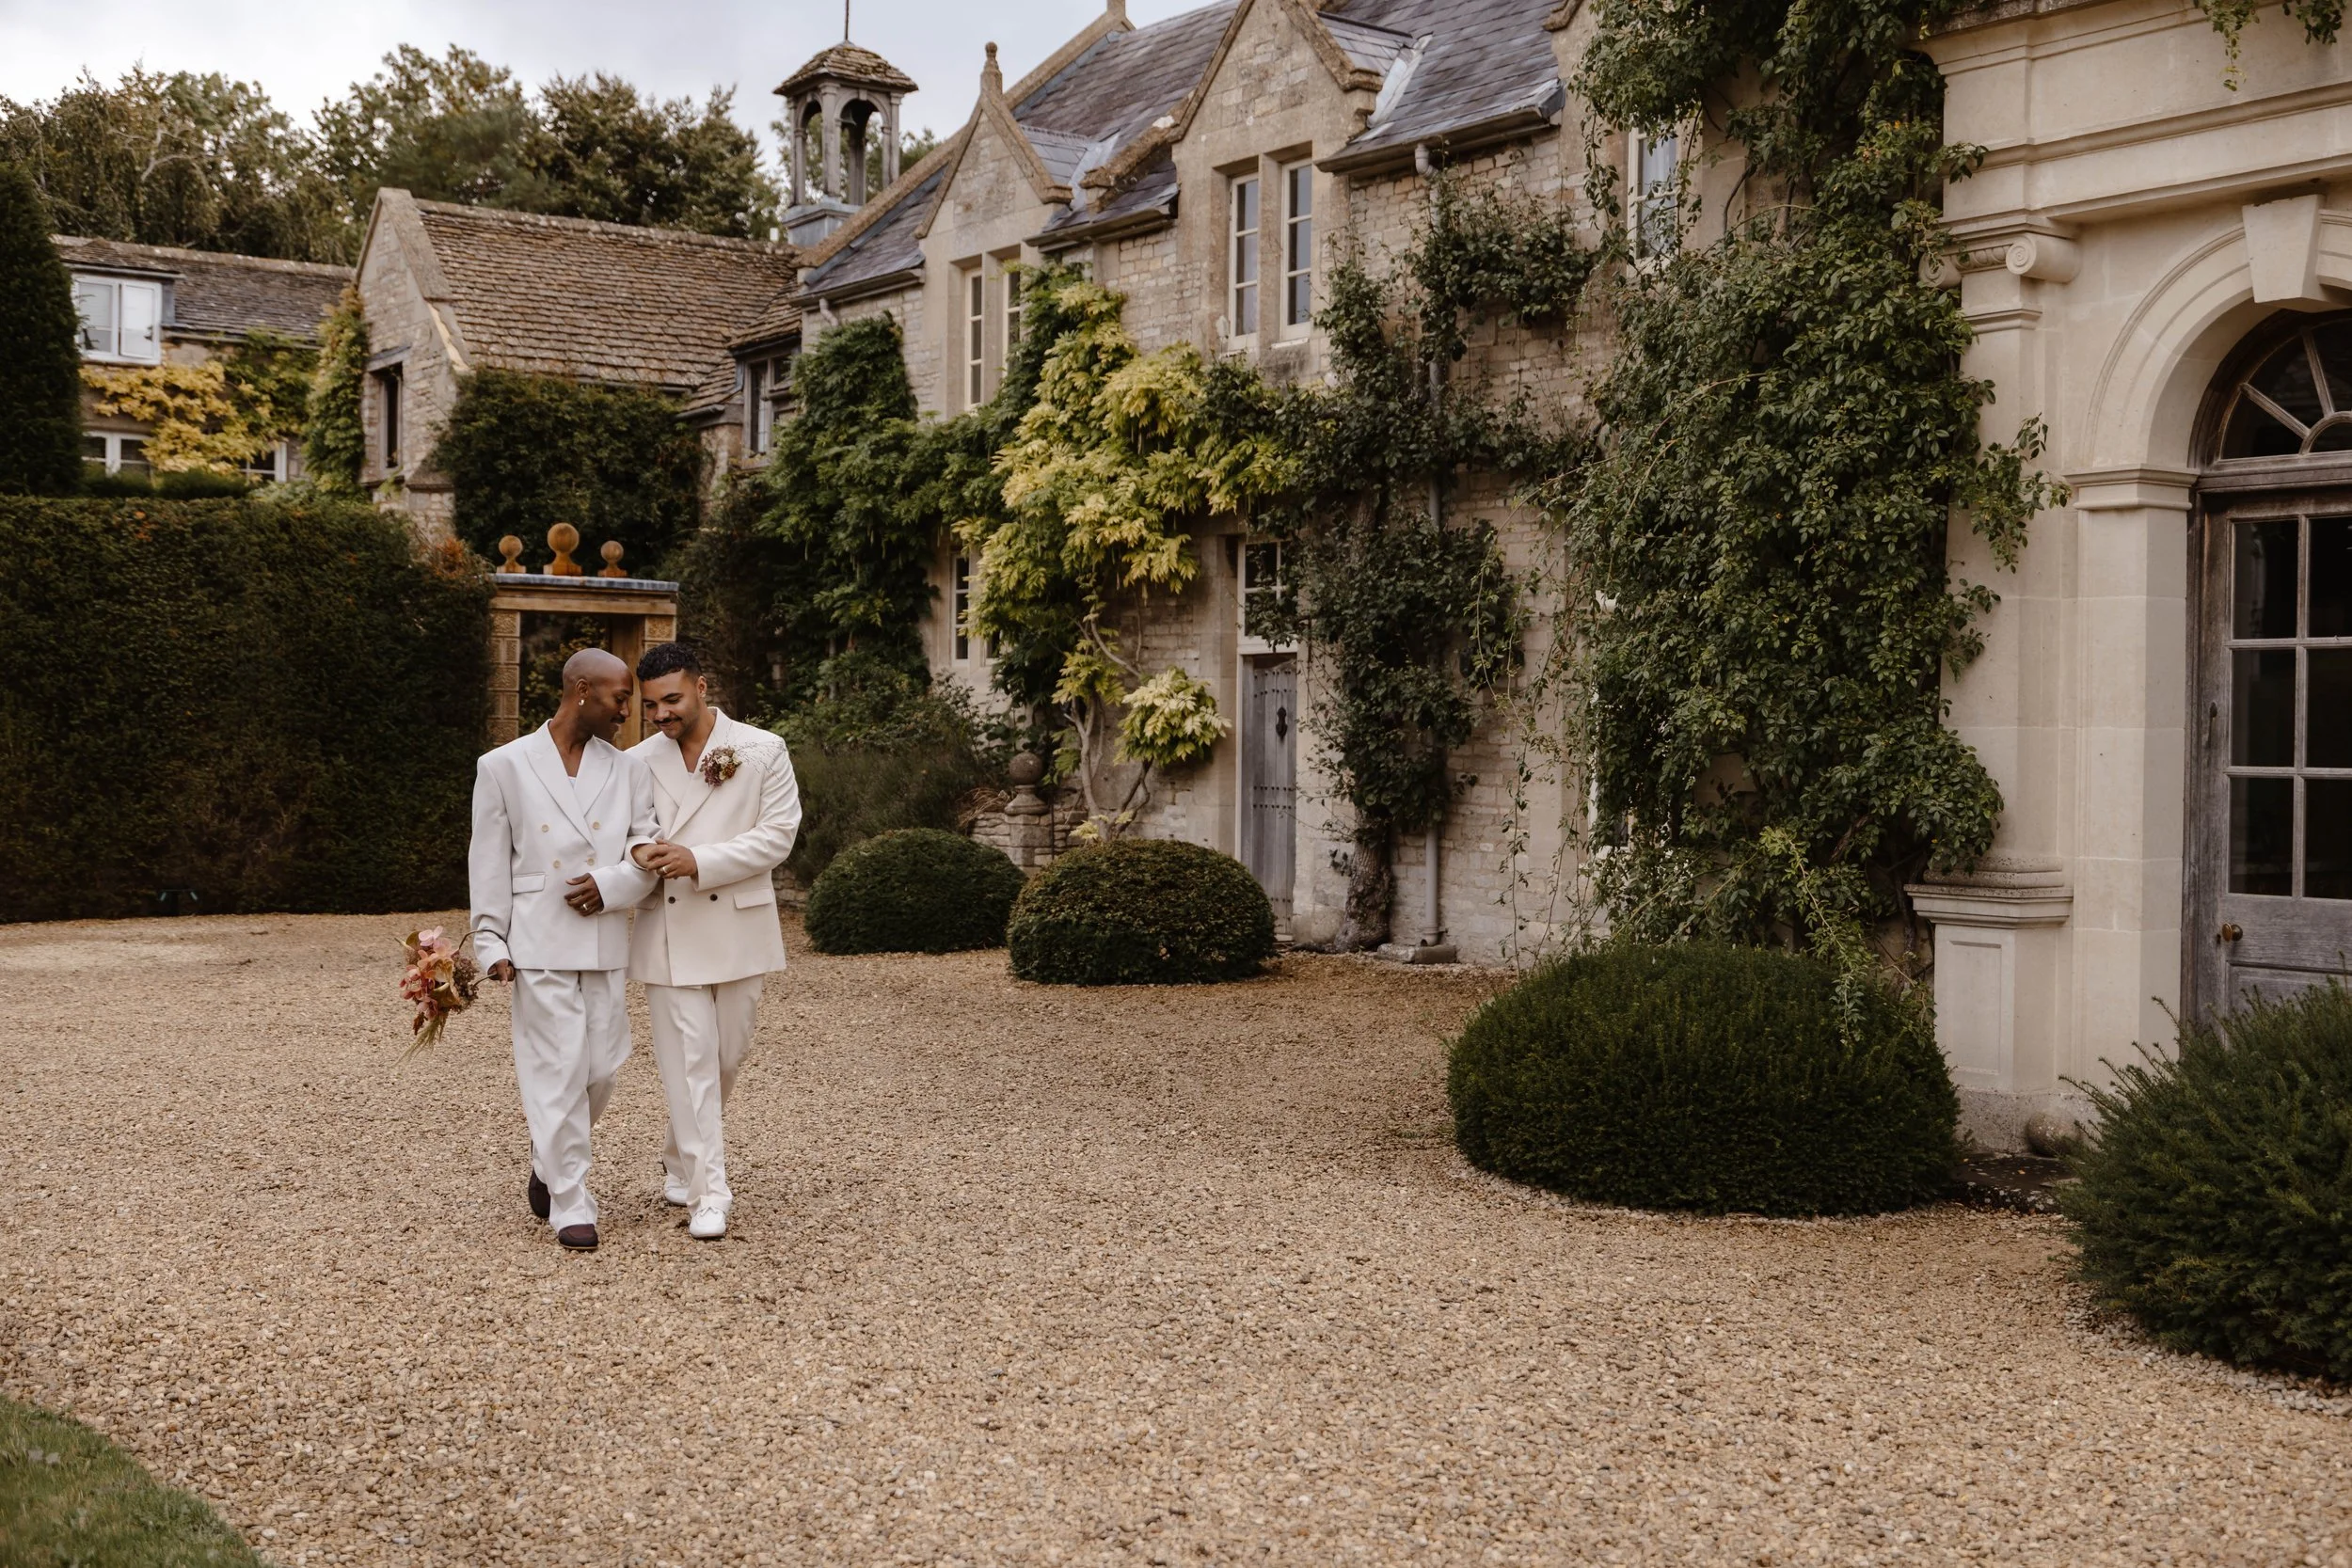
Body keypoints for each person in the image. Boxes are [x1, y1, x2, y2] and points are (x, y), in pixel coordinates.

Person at [468, 648, 659, 1251]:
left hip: (602, 937)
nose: (628, 711)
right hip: (538, 939)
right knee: (557, 1071)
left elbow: (645, 849)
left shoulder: (628, 771)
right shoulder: (504, 765)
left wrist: (612, 885)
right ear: (580, 691)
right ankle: (572, 1199)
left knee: (601, 1068)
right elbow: (489, 860)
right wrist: (489, 940)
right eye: (619, 698)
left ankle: (546, 1157)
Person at [627, 641, 802, 1241]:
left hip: (740, 924)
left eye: (671, 700)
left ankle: (680, 1155)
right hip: (669, 930)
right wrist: (641, 850)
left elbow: (777, 837)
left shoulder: (762, 749)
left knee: (726, 1059)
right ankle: (710, 1193)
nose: (661, 715)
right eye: (651, 705)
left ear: (703, 688)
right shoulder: (638, 760)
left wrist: (698, 858)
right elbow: (629, 831)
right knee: (692, 1063)